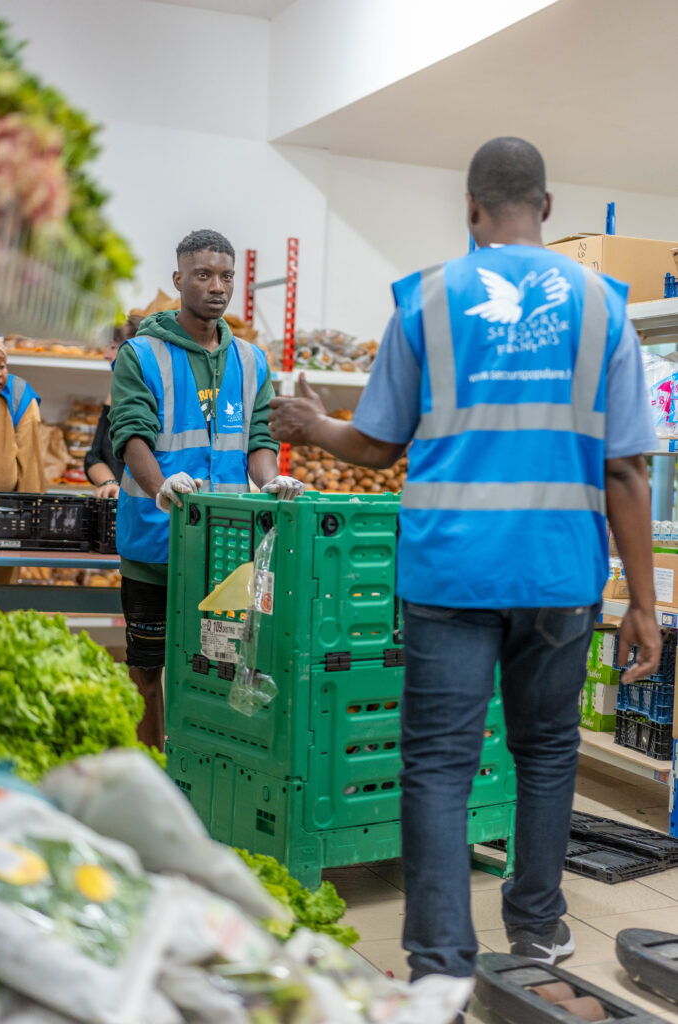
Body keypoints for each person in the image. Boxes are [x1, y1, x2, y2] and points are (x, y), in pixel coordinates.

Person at [268, 138, 662, 1019]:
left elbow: (375, 446)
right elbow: (627, 471)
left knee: (441, 764)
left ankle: (439, 966)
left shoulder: (428, 299)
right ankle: (538, 927)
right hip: (560, 571)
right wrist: (640, 601)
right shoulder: (603, 306)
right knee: (547, 752)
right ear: (547, 209)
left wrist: (310, 421)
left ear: (472, 211)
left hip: (449, 571)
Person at [109, 229, 304, 751]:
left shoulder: (252, 360)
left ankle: (203, 780)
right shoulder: (141, 354)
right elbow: (129, 434)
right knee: (147, 673)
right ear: (179, 280)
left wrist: (270, 480)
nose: (216, 287)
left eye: (225, 276)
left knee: (216, 669)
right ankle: (152, 774)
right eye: (203, 274)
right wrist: (161, 486)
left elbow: (259, 438)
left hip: (224, 554)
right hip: (155, 543)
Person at [85, 317, 141, 498]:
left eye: (112, 347)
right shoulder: (114, 392)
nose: (105, 355)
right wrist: (110, 483)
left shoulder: (158, 399)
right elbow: (93, 457)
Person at [0, 336, 46, 495]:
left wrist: (29, 511)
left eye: (1, 366)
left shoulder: (20, 395)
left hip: (4, 509)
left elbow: (30, 465)